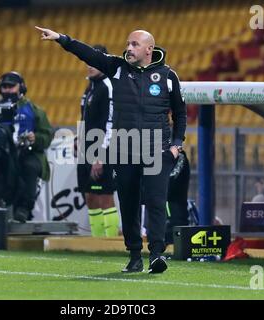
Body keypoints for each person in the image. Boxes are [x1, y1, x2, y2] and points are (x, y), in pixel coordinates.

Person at [35, 26, 187, 274]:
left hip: (156, 150)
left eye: (135, 44)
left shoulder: (168, 76)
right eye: (128, 43)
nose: (129, 48)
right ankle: (135, 255)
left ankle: (157, 254)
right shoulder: (117, 67)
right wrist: (62, 39)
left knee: (157, 201)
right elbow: (88, 54)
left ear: (149, 49)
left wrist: (176, 145)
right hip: (124, 150)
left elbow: (180, 114)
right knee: (128, 203)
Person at [0, 71, 53, 222]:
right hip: (1, 154)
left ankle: (24, 208)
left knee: (29, 166)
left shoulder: (35, 110)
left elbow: (47, 136)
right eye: (5, 87)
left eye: (11, 86)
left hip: (28, 153)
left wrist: (36, 138)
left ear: (21, 87)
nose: (8, 90)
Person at [76, 44, 119, 237]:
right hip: (87, 148)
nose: (89, 65)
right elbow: (88, 119)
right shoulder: (90, 87)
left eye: (94, 62)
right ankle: (97, 241)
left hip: (103, 149)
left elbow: (110, 123)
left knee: (104, 196)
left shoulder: (108, 86)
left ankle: (109, 243)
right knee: (90, 196)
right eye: (88, 62)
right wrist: (79, 137)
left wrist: (101, 155)